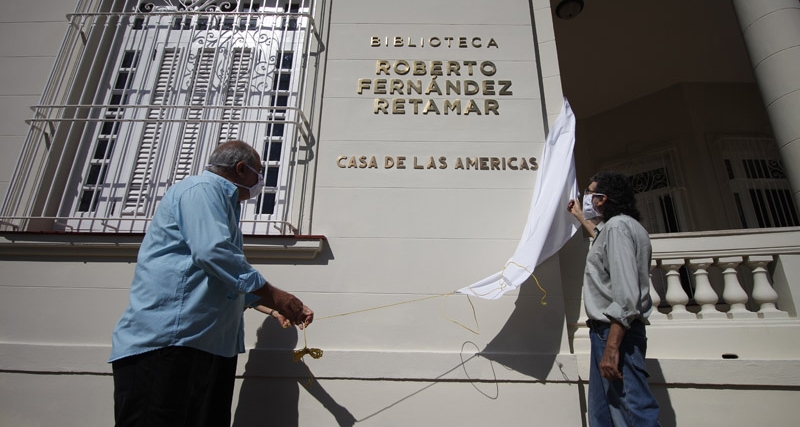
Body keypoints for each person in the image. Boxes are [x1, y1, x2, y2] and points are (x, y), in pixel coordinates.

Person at [109, 140, 314, 427]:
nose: (260, 183)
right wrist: (276, 296)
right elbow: (213, 253)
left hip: (209, 349)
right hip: (169, 345)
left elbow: (219, 280)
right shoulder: (201, 190)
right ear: (241, 169)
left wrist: (270, 308)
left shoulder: (223, 203)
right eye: (259, 173)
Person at [570, 171, 661, 427]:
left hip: (616, 332)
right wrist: (578, 216)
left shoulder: (618, 228)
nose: (585, 197)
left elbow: (626, 293)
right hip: (605, 332)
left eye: (589, 193)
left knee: (634, 409)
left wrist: (611, 349)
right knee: (603, 414)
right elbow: (601, 236)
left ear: (602, 199)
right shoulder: (617, 228)